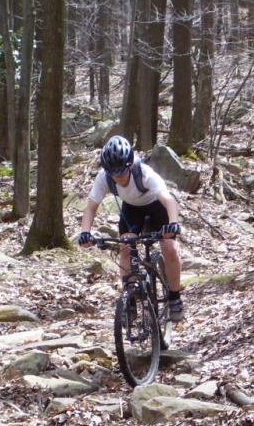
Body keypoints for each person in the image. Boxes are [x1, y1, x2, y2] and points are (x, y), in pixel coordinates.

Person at [77, 135, 184, 321]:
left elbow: (168, 200)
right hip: (132, 209)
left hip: (157, 205)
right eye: (113, 173)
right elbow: (90, 208)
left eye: (121, 172)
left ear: (130, 165)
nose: (117, 177)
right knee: (126, 249)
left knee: (169, 247)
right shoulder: (105, 178)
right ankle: (130, 300)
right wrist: (85, 233)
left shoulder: (144, 173)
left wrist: (173, 224)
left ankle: (175, 296)